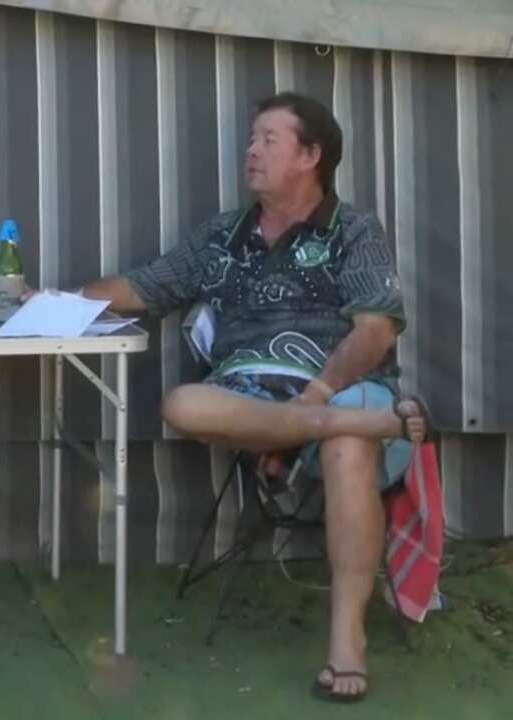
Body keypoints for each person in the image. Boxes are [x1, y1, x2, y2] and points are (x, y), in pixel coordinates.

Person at [54, 92, 429, 702]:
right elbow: (144, 287)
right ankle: (354, 425)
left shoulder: (351, 231)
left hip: (335, 386)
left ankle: (345, 643)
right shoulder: (223, 236)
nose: (250, 151)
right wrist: (57, 300)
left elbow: (375, 329)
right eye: (252, 139)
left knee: (345, 451)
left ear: (310, 155)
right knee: (184, 404)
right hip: (253, 397)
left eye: (268, 140)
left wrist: (320, 393)